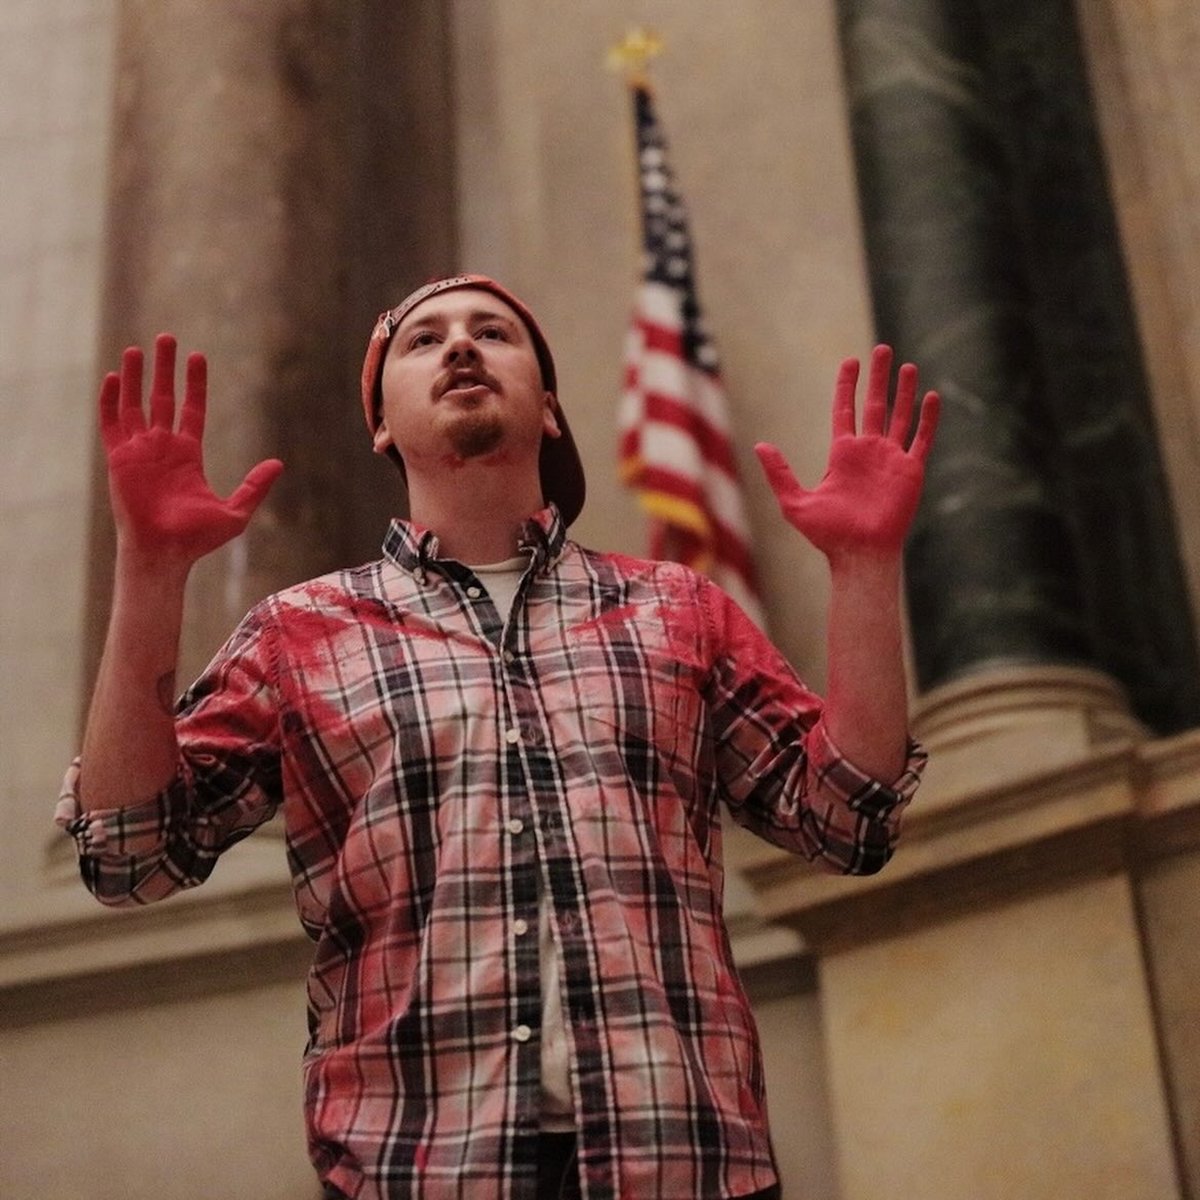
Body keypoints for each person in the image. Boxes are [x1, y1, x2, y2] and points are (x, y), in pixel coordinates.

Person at [57, 274, 939, 1200]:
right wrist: (150, 572)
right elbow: (131, 855)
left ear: (549, 409)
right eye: (423, 340)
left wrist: (865, 569)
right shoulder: (298, 632)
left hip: (685, 1161)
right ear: (382, 425)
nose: (462, 347)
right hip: (414, 1167)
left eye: (493, 333)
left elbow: (849, 823)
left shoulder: (680, 611)